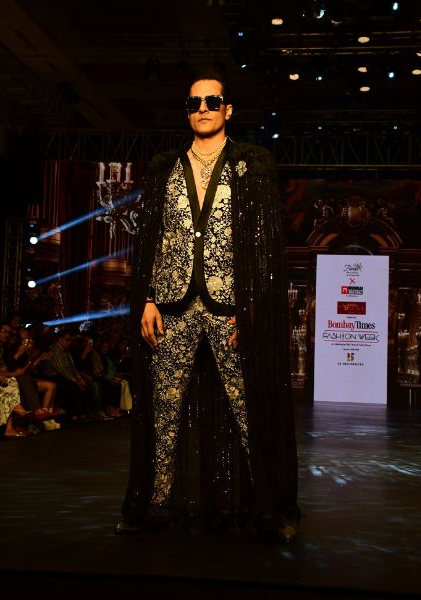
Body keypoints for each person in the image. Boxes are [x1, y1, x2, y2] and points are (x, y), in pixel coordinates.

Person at [115, 66, 299, 542]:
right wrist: (148, 299)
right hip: (171, 306)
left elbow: (262, 247)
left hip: (230, 307)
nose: (202, 110)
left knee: (248, 409)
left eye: (211, 102)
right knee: (163, 410)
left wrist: (251, 307)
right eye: (194, 103)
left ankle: (269, 510)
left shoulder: (252, 165)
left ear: (227, 109)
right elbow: (153, 240)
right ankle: (152, 505)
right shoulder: (164, 168)